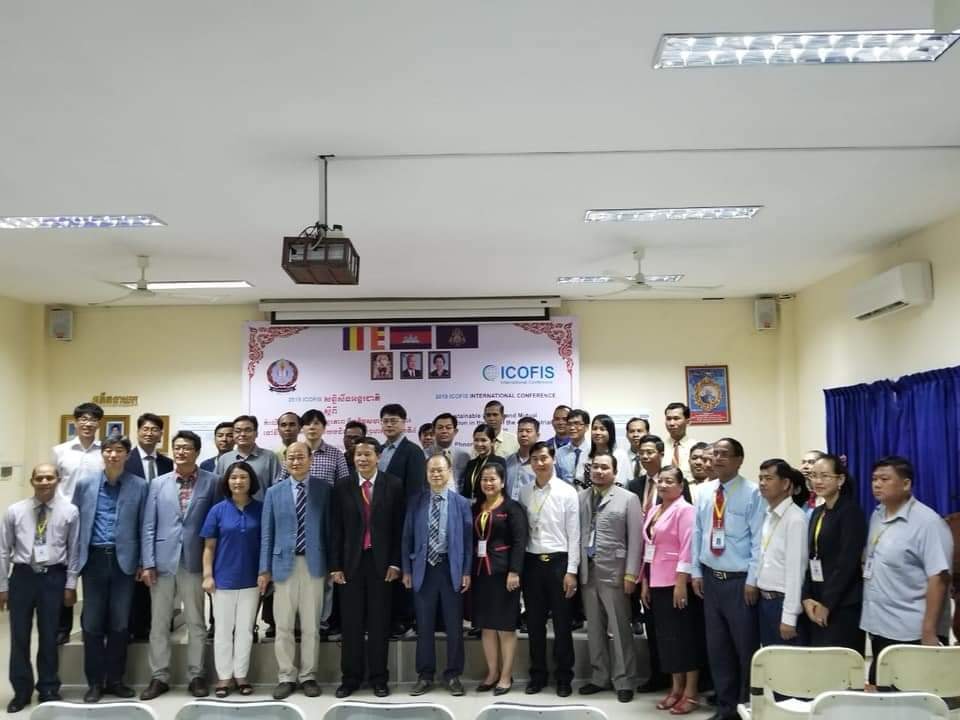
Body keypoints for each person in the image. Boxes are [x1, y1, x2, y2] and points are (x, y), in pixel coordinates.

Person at [859, 456, 953, 686]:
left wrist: (929, 631)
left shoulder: (928, 523)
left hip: (912, 631)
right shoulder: (877, 514)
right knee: (882, 693)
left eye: (884, 479)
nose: (877, 484)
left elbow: (938, 578)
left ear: (906, 484)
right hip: (879, 625)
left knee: (911, 697)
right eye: (874, 479)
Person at [139, 430, 218, 700]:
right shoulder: (158, 484)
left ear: (197, 452)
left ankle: (196, 675)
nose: (181, 452)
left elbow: (216, 525)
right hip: (162, 562)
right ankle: (159, 676)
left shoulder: (212, 482)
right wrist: (148, 562)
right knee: (159, 622)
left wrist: (212, 566)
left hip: (195, 560)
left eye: (186, 447)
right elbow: (148, 525)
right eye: (177, 447)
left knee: (196, 621)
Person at [689, 438, 764, 720]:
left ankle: (745, 706)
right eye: (715, 454)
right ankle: (725, 707)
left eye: (724, 454)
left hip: (739, 581)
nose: (717, 459)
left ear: (739, 460)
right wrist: (696, 571)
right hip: (711, 579)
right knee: (718, 648)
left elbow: (758, 540)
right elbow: (698, 533)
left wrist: (752, 580)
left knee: (744, 648)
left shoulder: (752, 493)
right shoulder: (704, 492)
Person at [71, 435, 148, 703]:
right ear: (102, 454)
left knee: (120, 623)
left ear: (127, 455)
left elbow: (144, 526)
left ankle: (115, 680)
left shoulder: (139, 486)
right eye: (108, 450)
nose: (113, 455)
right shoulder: (84, 484)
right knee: (92, 623)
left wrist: (142, 562)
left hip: (123, 561)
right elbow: (75, 525)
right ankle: (94, 682)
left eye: (118, 450)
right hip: (93, 559)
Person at [329, 436, 406, 698]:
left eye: (367, 454)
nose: (362, 459)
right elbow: (335, 529)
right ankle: (350, 678)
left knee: (379, 623)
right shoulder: (342, 486)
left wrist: (396, 562)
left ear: (378, 457)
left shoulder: (393, 485)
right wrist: (335, 566)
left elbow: (399, 529)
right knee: (351, 624)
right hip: (351, 564)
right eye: (358, 455)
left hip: (382, 564)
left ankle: (378, 678)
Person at [0, 464, 80, 713]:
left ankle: (48, 688)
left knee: (49, 636)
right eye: (40, 478)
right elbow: (3, 550)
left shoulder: (70, 511)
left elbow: (74, 550)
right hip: (22, 577)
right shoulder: (15, 511)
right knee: (19, 637)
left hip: (53, 577)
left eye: (49, 478)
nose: (45, 482)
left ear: (58, 480)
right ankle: (21, 691)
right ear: (32, 481)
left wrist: (70, 584)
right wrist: (2, 586)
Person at [259, 441, 331, 699]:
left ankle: (309, 676)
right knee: (284, 625)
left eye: (301, 457)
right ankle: (286, 676)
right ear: (285, 461)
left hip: (314, 564)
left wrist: (333, 566)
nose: (296, 461)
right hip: (282, 566)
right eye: (291, 457)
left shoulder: (324, 490)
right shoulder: (274, 492)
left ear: (311, 459)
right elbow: (267, 534)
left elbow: (330, 530)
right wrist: (264, 569)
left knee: (312, 626)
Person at [402, 454, 473, 697]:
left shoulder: (461, 503)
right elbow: (407, 538)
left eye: (440, 470)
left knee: (454, 627)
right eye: (431, 470)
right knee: (424, 626)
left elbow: (468, 542)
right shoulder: (416, 501)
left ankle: (453, 675)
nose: (435, 474)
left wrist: (466, 571)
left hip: (450, 569)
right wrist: (407, 569)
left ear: (449, 471)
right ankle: (425, 675)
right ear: (426, 473)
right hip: (424, 570)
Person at [578, 452, 642, 704]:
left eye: (605, 467)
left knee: (619, 629)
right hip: (588, 571)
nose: (599, 471)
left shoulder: (628, 498)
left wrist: (631, 573)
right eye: (595, 466)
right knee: (594, 629)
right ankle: (599, 676)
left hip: (615, 572)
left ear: (614, 472)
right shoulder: (581, 497)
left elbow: (636, 540)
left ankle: (624, 680)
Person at [640, 466, 703, 716]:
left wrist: (681, 582)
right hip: (655, 580)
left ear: (680, 485)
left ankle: (691, 692)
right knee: (667, 639)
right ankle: (675, 689)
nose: (664, 485)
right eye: (661, 481)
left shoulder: (685, 510)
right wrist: (645, 582)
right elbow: (648, 548)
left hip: (676, 583)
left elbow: (688, 547)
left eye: (669, 481)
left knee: (685, 638)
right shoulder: (654, 510)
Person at [519, 442, 579, 697]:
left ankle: (564, 677)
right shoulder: (524, 492)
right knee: (534, 623)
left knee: (563, 624)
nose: (539, 463)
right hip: (532, 563)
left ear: (553, 459)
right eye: (535, 459)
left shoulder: (567, 492)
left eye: (544, 458)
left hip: (559, 563)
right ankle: (538, 675)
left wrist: (572, 570)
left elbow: (574, 534)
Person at [200, 462, 262, 698]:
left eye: (243, 477)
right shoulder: (217, 510)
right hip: (223, 580)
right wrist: (208, 575)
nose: (238, 482)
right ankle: (224, 677)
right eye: (234, 477)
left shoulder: (261, 509)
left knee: (245, 631)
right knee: (223, 631)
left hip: (252, 580)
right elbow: (209, 547)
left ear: (251, 481)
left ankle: (241, 675)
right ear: (227, 481)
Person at [801, 454, 866, 654]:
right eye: (813, 476)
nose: (818, 481)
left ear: (840, 479)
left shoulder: (850, 512)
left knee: (841, 663)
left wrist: (827, 604)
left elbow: (847, 563)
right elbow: (811, 557)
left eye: (825, 476)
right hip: (816, 600)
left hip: (842, 603)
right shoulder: (818, 512)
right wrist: (806, 597)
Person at [51, 401, 103, 645]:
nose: (87, 423)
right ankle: (62, 627)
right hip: (64, 519)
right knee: (64, 574)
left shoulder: (104, 452)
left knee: (92, 575)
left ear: (98, 424)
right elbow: (54, 483)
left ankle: (89, 624)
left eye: (92, 420)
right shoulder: (60, 451)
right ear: (75, 422)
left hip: (94, 519)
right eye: (83, 419)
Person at [472, 463, 527, 695]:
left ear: (503, 482)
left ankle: (506, 676)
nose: (488, 483)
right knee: (487, 626)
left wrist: (515, 571)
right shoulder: (476, 507)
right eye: (484, 479)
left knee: (505, 627)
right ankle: (492, 673)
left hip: (504, 574)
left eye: (492, 479)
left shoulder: (512, 508)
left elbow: (520, 541)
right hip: (480, 573)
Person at [379, 403, 427, 637]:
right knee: (386, 569)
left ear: (404, 423)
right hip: (379, 523)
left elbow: (416, 491)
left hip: (403, 520)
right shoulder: (378, 450)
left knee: (403, 568)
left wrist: (408, 521)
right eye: (385, 421)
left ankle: (404, 619)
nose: (389, 425)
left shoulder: (413, 451)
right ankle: (386, 617)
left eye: (394, 421)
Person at [125, 412, 174, 644]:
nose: (149, 433)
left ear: (161, 434)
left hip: (160, 528)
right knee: (134, 580)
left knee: (156, 578)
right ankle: (134, 626)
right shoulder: (126, 460)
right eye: (145, 428)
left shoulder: (168, 464)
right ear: (138, 431)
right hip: (132, 528)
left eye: (155, 429)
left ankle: (152, 625)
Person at [755, 459, 808, 648]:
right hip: (765, 601)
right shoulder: (769, 514)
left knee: (788, 662)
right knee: (770, 661)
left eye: (768, 478)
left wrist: (789, 617)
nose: (762, 483)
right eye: (760, 478)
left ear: (785, 484)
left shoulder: (795, 519)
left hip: (782, 603)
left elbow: (796, 572)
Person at [215, 416, 280, 501]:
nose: (242, 434)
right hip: (230, 508)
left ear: (256, 433)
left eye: (247, 430)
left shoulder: (270, 457)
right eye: (238, 431)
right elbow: (217, 488)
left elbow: (277, 488)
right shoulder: (224, 459)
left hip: (262, 508)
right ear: (233, 434)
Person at [462, 424, 507, 504]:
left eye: (483, 440)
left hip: (489, 507)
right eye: (476, 440)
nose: (479, 444)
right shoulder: (471, 463)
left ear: (492, 442)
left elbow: (500, 491)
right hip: (469, 507)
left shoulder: (499, 462)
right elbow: (466, 489)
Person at [588, 414, 631, 486]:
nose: (597, 432)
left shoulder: (620, 454)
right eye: (594, 428)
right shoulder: (586, 453)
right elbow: (579, 480)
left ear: (610, 432)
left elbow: (621, 483)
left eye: (602, 429)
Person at [430, 413, 471, 484]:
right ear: (433, 432)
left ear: (455, 431)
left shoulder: (464, 456)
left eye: (448, 428)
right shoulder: (423, 455)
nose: (444, 431)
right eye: (440, 428)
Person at [505, 416, 539, 501]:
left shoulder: (542, 463)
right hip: (509, 507)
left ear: (537, 435)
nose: (523, 434)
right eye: (520, 431)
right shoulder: (507, 461)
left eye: (528, 431)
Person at [663, 403, 700, 480]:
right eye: (668, 419)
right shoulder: (660, 447)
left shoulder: (697, 448)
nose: (671, 423)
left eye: (676, 418)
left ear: (688, 421)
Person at [555, 409, 591, 486]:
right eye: (569, 424)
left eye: (577, 423)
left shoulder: (594, 451)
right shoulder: (559, 453)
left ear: (586, 427)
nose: (572, 428)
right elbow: (557, 479)